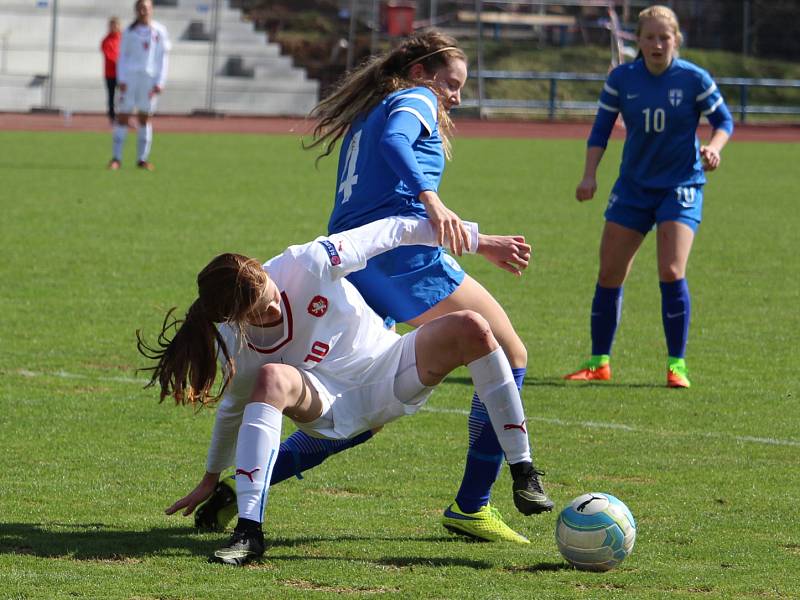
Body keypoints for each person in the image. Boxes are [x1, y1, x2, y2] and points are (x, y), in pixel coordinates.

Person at [192, 30, 554, 546]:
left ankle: (249, 483)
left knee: (364, 411)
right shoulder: (414, 98)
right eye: (450, 84)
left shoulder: (370, 108)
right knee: (508, 352)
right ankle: (473, 505)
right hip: (400, 253)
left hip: (356, 259)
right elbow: (397, 143)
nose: (454, 97)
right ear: (420, 73)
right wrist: (433, 200)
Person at [139, 215, 549, 566]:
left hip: (391, 369)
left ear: (265, 274)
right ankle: (249, 532)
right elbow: (231, 409)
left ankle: (524, 472)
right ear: (237, 320)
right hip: (329, 405)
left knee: (473, 326)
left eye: (268, 293)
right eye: (259, 312)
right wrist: (210, 477)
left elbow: (397, 229)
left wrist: (480, 242)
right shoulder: (234, 343)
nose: (274, 308)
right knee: (271, 380)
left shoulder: (309, 262)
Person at [563, 5, 733, 388]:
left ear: (676, 40)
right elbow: (600, 130)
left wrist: (715, 146)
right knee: (609, 272)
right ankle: (598, 362)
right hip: (633, 188)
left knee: (671, 270)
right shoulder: (622, 79)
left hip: (681, 186)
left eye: (665, 37)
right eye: (650, 37)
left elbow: (723, 120)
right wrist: (589, 175)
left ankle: (677, 365)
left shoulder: (693, 78)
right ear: (636, 41)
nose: (658, 44)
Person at [108, 0, 170, 171]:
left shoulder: (159, 31)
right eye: (141, 8)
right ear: (136, 10)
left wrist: (160, 81)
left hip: (148, 80)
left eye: (147, 8)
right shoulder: (129, 31)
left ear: (152, 10)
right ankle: (116, 158)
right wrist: (122, 80)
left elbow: (163, 58)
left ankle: (142, 159)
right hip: (130, 78)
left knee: (145, 118)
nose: (144, 11)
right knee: (123, 117)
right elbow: (122, 57)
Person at [101, 17, 121, 124]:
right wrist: (117, 62)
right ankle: (112, 117)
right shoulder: (106, 40)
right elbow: (108, 55)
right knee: (111, 95)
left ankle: (123, 115)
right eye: (112, 25)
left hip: (122, 73)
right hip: (110, 73)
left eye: (116, 25)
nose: (114, 27)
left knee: (123, 95)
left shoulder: (123, 38)